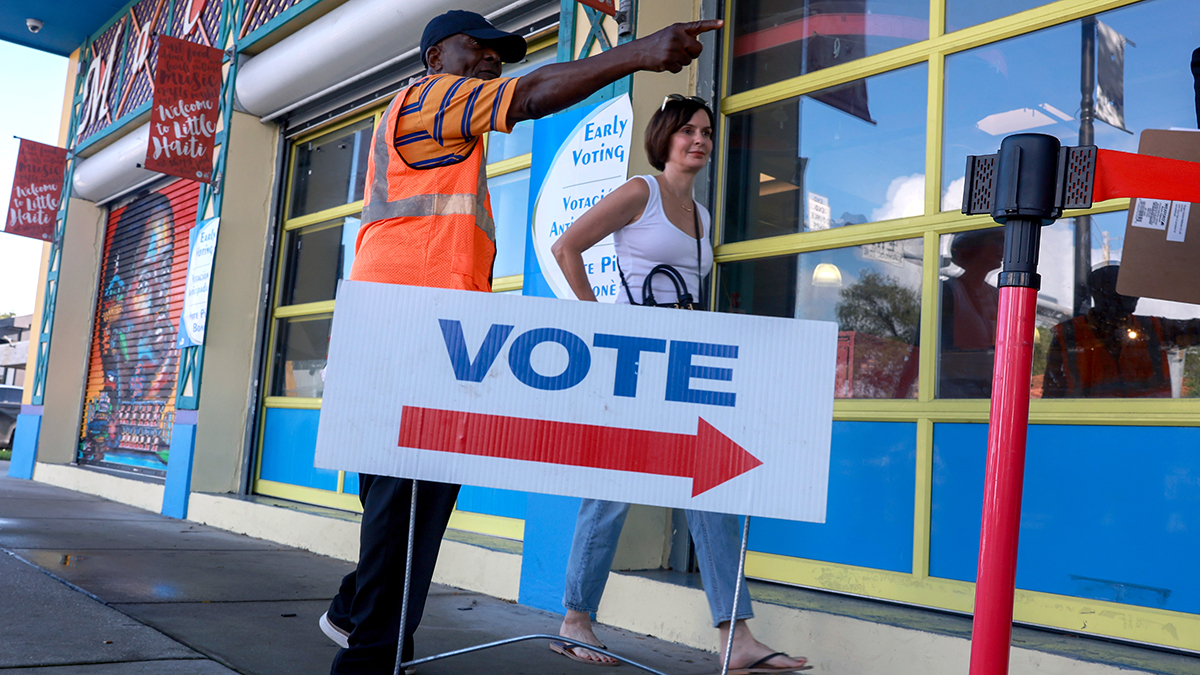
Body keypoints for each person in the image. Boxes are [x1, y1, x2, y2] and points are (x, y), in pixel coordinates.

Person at [316, 10, 724, 675]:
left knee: (404, 515)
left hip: (421, 335)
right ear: (433, 58)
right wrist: (641, 52)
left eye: (496, 54)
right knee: (407, 514)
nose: (489, 60)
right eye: (474, 48)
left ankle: (352, 605)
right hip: (406, 336)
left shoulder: (446, 137)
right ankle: (367, 656)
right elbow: (531, 95)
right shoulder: (427, 98)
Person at [548, 96, 809, 674]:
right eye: (688, 130)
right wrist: (600, 324)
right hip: (633, 362)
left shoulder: (701, 215)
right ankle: (576, 620)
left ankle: (734, 637)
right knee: (610, 492)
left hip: (683, 366)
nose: (699, 140)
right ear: (663, 138)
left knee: (712, 489)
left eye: (707, 132)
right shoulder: (640, 193)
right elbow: (566, 247)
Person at [1043, 264, 1200, 398]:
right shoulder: (1068, 334)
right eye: (1127, 289)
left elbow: (1195, 330)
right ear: (1102, 294)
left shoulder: (1154, 327)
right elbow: (1052, 392)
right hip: (1090, 425)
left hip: (1152, 424)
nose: (1136, 295)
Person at [938, 228, 1004, 398]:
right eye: (997, 241)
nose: (1003, 248)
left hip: (992, 392)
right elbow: (922, 347)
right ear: (974, 247)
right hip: (955, 396)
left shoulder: (997, 295)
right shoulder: (948, 292)